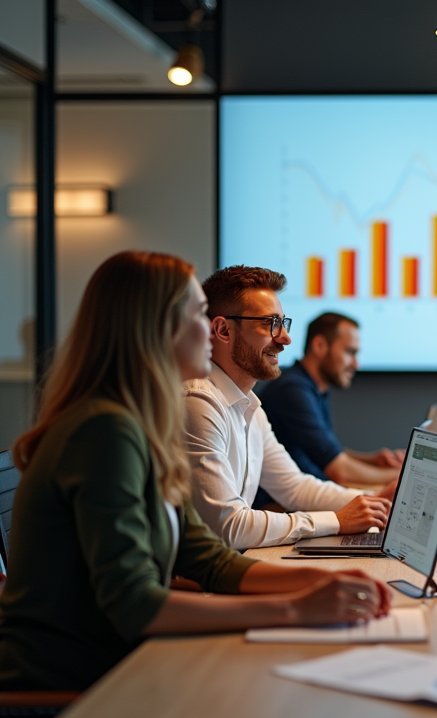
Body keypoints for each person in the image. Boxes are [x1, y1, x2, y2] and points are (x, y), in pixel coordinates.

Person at [0, 252, 390, 692]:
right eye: (198, 315)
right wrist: (296, 608)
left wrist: (321, 581)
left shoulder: (144, 421)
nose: (210, 328)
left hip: (111, 668)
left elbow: (205, 557)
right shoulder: (104, 431)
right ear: (154, 330)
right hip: (60, 694)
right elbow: (137, 605)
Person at [183, 266, 393, 550]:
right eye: (269, 323)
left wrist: (374, 501)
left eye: (283, 323)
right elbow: (229, 527)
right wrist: (336, 521)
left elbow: (295, 487)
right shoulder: (199, 402)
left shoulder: (251, 409)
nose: (284, 338)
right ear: (222, 330)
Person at [259, 312, 405, 489]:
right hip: (280, 507)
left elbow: (329, 453)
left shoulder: (314, 388)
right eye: (350, 352)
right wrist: (404, 474)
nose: (356, 364)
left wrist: (372, 460)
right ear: (320, 345)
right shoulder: (292, 390)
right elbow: (340, 471)